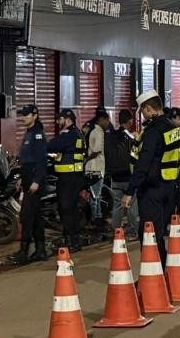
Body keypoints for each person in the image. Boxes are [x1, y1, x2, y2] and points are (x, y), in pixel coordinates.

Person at [121, 90, 180, 266]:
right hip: (169, 187)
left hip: (152, 189)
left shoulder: (154, 131)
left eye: (142, 110)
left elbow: (144, 164)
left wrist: (130, 191)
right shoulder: (172, 127)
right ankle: (164, 269)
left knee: (149, 233)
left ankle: (155, 273)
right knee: (159, 231)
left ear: (148, 108)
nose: (141, 114)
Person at [8, 105, 48, 265]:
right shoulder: (29, 133)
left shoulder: (37, 135)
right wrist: (21, 179)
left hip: (34, 179)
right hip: (28, 177)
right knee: (36, 217)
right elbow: (26, 160)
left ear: (35, 116)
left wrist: (36, 181)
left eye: (26, 115)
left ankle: (24, 252)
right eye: (22, 115)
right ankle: (40, 250)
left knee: (26, 216)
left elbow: (41, 161)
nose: (23, 117)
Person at [47, 109, 86, 252]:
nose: (58, 122)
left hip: (68, 178)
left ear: (67, 119)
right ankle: (74, 240)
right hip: (73, 177)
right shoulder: (77, 132)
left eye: (60, 119)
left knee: (66, 210)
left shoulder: (69, 134)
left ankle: (71, 241)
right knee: (72, 209)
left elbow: (52, 145)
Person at [107, 109, 138, 238]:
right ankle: (132, 230)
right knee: (131, 204)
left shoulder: (111, 136)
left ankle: (116, 231)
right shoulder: (130, 137)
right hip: (128, 176)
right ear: (130, 121)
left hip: (115, 177)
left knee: (117, 205)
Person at [84, 110, 109, 225]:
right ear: (101, 119)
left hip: (93, 168)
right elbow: (97, 150)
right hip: (96, 168)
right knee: (96, 196)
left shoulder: (93, 130)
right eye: (107, 120)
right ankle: (95, 218)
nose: (108, 123)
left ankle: (96, 216)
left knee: (95, 195)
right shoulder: (98, 132)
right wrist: (87, 159)